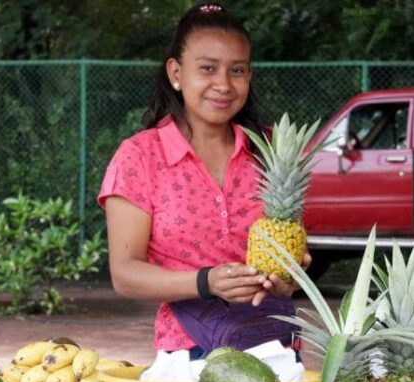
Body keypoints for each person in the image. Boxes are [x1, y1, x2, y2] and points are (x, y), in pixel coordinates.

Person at [97, 3, 307, 359]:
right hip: (188, 353)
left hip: (277, 348)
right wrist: (206, 281)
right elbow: (125, 274)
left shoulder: (273, 152)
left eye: (236, 70)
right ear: (176, 73)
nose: (223, 84)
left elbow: (295, 258)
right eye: (208, 68)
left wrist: (288, 276)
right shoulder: (140, 157)